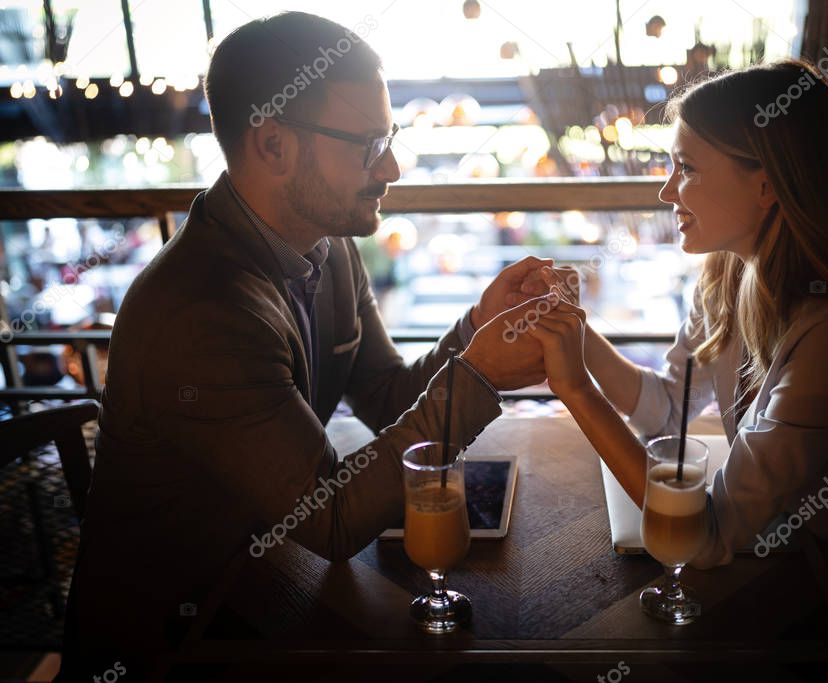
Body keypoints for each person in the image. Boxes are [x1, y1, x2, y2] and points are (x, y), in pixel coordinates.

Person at [59, 12, 562, 679]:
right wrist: (478, 376)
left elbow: (385, 393)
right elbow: (328, 518)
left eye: (391, 137)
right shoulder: (200, 313)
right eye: (368, 143)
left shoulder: (328, 244)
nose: (392, 164)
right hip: (177, 640)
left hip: (267, 582)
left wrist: (475, 329)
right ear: (273, 146)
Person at [525, 60, 828, 673]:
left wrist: (574, 386)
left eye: (686, 169)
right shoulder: (728, 274)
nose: (666, 191)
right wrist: (577, 331)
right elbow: (666, 406)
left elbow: (708, 537)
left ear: (766, 185)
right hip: (804, 566)